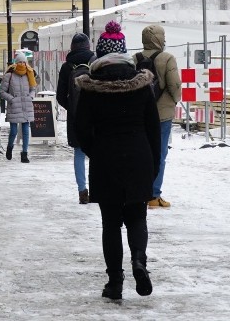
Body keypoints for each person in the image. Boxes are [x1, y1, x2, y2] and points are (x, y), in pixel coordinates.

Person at [75, 20, 161, 300]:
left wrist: (96, 151)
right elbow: (153, 128)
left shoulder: (91, 87)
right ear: (124, 51)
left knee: (110, 223)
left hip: (106, 160)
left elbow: (81, 129)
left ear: (100, 55)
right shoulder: (142, 85)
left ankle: (115, 282)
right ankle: (139, 260)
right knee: (137, 217)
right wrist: (154, 164)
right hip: (139, 157)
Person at [137, 24, 181, 209]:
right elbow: (174, 84)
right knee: (160, 153)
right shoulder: (167, 58)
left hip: (140, 114)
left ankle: (140, 191)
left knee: (142, 152)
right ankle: (154, 195)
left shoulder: (135, 59)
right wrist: (175, 100)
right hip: (162, 114)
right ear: (159, 39)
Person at [56, 33, 97, 204]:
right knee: (96, 154)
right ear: (88, 46)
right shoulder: (95, 63)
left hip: (76, 118)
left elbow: (60, 96)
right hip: (95, 116)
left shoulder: (67, 67)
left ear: (72, 47)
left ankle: (82, 191)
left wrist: (72, 108)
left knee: (79, 153)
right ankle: (96, 189)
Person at [0, 52, 37, 163]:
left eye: (24, 62)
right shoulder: (9, 75)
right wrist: (11, 99)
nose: (22, 64)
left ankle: (24, 154)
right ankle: (10, 147)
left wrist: (30, 97)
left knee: (26, 131)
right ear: (16, 63)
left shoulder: (29, 74)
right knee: (14, 131)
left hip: (26, 105)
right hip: (14, 106)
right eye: (20, 62)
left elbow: (33, 89)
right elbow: (2, 91)